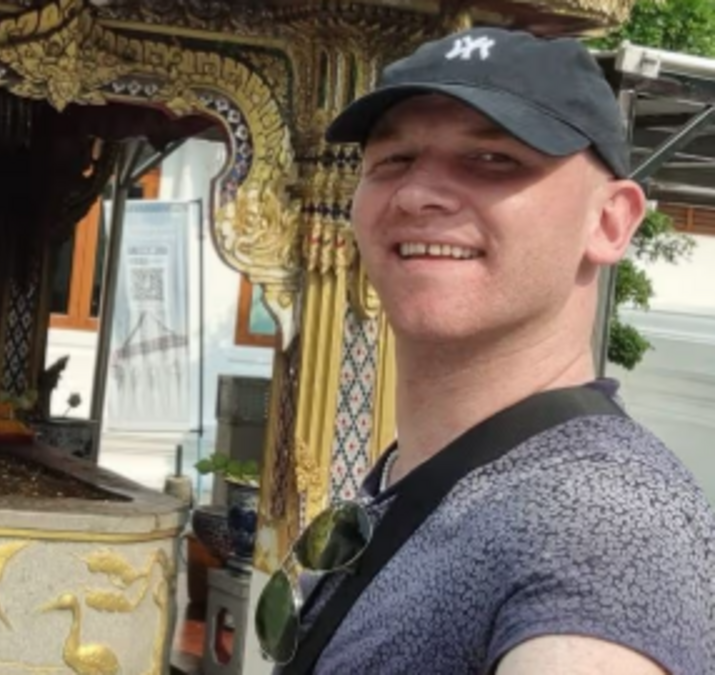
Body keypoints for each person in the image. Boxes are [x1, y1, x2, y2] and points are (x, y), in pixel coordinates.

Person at [276, 27, 714, 674]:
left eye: (493, 161)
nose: (417, 193)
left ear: (610, 221)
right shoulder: (426, 475)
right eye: (392, 160)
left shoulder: (599, 522)